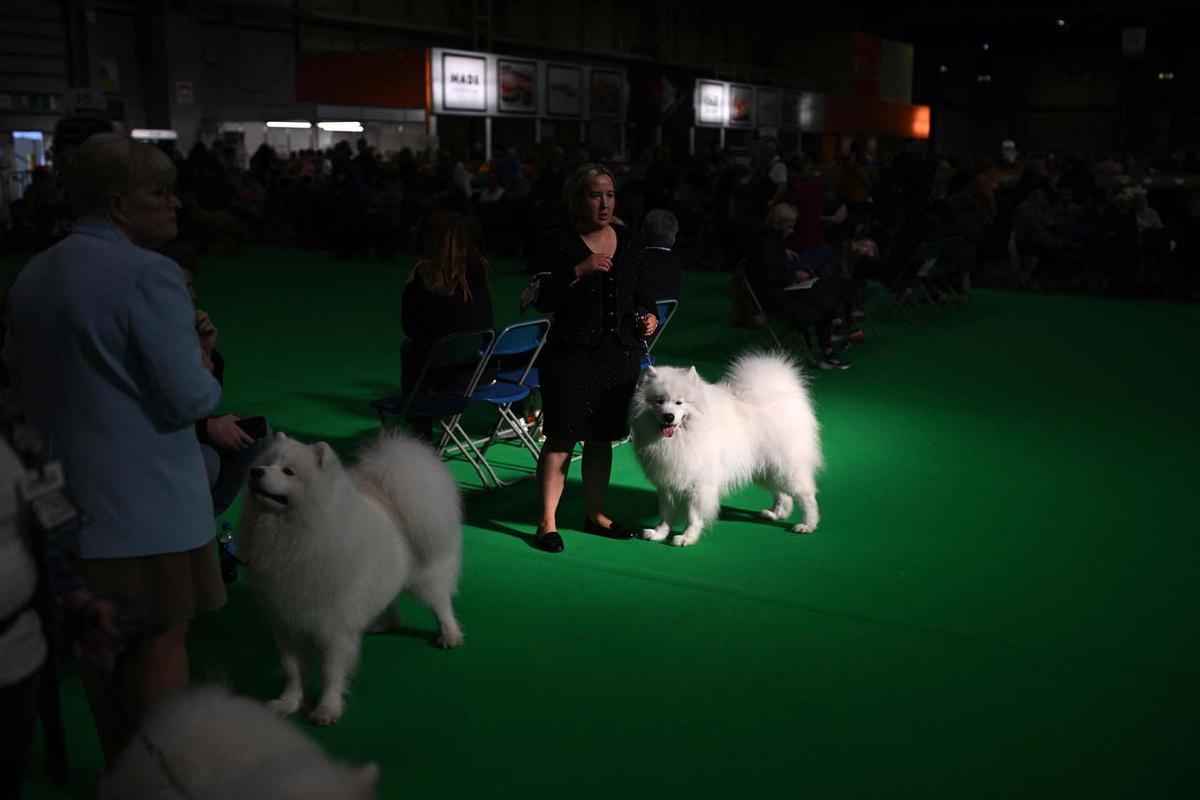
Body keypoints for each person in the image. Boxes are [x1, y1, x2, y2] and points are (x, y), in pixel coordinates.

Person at [3, 132, 224, 765]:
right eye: (160, 193)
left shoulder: (33, 275)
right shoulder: (149, 274)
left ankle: (121, 778)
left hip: (62, 502)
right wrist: (204, 363)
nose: (175, 204)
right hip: (145, 509)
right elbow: (187, 400)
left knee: (101, 651)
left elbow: (14, 385)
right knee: (159, 639)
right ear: (117, 204)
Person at [530, 163, 658, 553]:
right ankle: (546, 522)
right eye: (595, 195)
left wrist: (649, 314)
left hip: (618, 356)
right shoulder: (555, 240)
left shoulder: (628, 239)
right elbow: (538, 297)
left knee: (602, 439)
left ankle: (595, 513)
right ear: (577, 199)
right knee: (561, 438)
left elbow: (642, 291)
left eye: (610, 195)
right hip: (569, 355)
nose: (604, 203)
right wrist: (578, 271)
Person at [159, 243, 272, 517]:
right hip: (148, 444)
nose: (194, 295)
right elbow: (149, 411)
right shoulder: (142, 335)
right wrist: (206, 429)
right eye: (186, 286)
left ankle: (204, 522)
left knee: (259, 434)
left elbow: (203, 402)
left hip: (183, 429)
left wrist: (206, 353)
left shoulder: (180, 329)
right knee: (206, 462)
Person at [401, 211, 494, 437]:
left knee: (409, 348)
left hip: (440, 370)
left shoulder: (422, 274)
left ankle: (420, 420)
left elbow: (410, 326)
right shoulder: (479, 269)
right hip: (480, 368)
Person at [744, 203, 850, 370]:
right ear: (779, 224)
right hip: (773, 297)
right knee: (822, 301)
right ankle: (829, 344)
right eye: (789, 226)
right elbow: (769, 276)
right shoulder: (766, 244)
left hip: (781, 290)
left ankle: (829, 344)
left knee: (822, 294)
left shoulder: (771, 241)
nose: (792, 231)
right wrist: (795, 276)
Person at [639, 208, 682, 302]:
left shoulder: (638, 260)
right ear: (673, 240)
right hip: (665, 313)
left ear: (642, 233)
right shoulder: (675, 262)